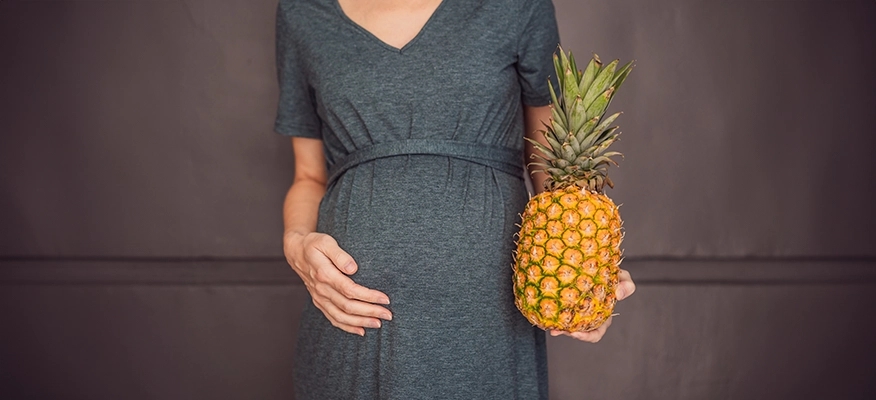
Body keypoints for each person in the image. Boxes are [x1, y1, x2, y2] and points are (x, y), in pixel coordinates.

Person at [274, 0, 636, 398]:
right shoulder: (303, 12)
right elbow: (308, 175)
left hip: (487, 321)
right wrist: (296, 244)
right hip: (353, 319)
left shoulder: (518, 6)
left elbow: (550, 157)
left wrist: (582, 263)